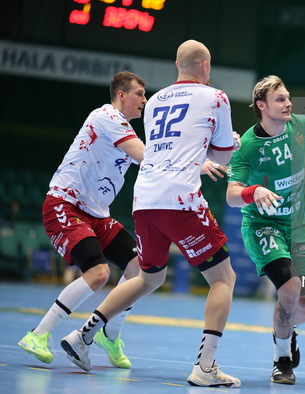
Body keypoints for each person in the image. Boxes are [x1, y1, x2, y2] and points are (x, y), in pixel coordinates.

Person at [60, 39, 242, 388]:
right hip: (180, 200)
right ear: (204, 67)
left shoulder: (156, 100)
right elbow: (220, 160)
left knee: (149, 278)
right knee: (223, 278)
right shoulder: (215, 97)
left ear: (178, 66)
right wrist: (230, 143)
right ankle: (204, 367)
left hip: (144, 200)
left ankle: (82, 336)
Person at [18, 71, 147, 369]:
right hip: (65, 204)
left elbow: (153, 163)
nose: (144, 99)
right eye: (139, 93)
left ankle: (109, 336)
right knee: (99, 273)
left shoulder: (126, 130)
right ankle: (39, 334)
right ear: (121, 96)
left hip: (97, 215)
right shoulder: (105, 117)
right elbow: (147, 157)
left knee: (141, 273)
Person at [226, 75, 305, 385]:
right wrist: (253, 191)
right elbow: (231, 195)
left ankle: (283, 330)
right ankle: (281, 359)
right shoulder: (247, 147)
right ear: (261, 105)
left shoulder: (301, 125)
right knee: (290, 289)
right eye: (280, 99)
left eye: (288, 97)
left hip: (298, 226)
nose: (288, 103)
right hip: (262, 226)